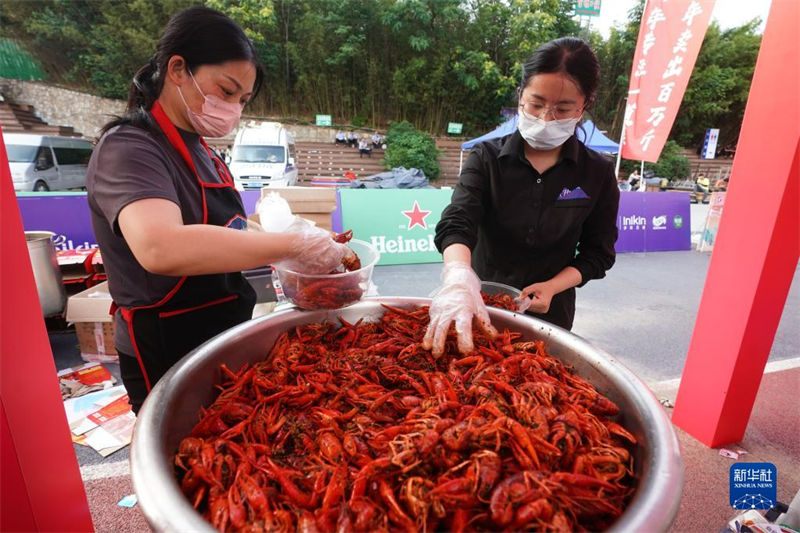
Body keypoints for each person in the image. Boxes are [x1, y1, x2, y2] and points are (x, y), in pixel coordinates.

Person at [86, 6, 352, 413]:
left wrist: (305, 250)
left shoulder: (207, 152)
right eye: (227, 92)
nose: (233, 109)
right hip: (166, 346)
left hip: (225, 332)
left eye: (242, 100)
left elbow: (228, 233)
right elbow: (161, 247)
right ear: (177, 69)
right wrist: (290, 245)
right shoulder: (129, 148)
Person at [423, 37, 619, 356]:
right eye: (536, 104)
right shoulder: (485, 158)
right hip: (477, 305)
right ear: (520, 97)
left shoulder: (597, 172)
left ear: (584, 106)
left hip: (549, 318)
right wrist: (459, 277)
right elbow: (458, 222)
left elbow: (599, 253)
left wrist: (554, 286)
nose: (546, 118)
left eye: (563, 109)